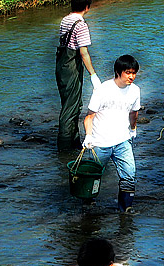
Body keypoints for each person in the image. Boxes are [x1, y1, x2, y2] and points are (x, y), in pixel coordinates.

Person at [82, 55, 141, 213]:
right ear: (118, 71)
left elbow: (134, 113)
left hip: (123, 142)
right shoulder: (103, 90)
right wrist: (88, 136)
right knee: (92, 176)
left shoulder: (135, 91)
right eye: (128, 72)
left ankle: (125, 210)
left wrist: (133, 129)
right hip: (100, 143)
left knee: (129, 175)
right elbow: (89, 117)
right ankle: (88, 205)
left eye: (134, 73)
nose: (131, 77)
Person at [56, 0, 101, 151]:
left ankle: (74, 144)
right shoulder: (81, 25)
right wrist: (93, 75)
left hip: (62, 66)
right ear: (87, 7)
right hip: (72, 68)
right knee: (71, 108)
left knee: (70, 104)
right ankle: (64, 150)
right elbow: (83, 53)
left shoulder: (65, 19)